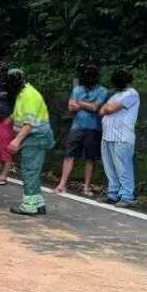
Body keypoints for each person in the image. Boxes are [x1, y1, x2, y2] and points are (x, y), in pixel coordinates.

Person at [6, 68, 55, 216]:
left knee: (29, 170)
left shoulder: (29, 95)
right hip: (34, 137)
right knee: (33, 170)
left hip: (35, 137)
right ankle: (38, 203)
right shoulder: (23, 93)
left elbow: (29, 123)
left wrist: (16, 140)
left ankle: (29, 206)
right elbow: (18, 115)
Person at [55, 63, 107, 195]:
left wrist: (80, 103)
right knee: (69, 155)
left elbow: (95, 108)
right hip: (77, 126)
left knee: (90, 158)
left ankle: (86, 187)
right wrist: (86, 105)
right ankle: (62, 184)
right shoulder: (77, 88)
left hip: (94, 128)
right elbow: (71, 107)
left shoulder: (102, 90)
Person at [98, 68, 140, 207]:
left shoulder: (132, 94)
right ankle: (113, 194)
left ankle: (127, 196)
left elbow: (108, 109)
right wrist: (106, 108)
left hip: (122, 137)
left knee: (123, 168)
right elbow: (101, 111)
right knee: (110, 168)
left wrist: (107, 108)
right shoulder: (115, 95)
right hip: (108, 136)